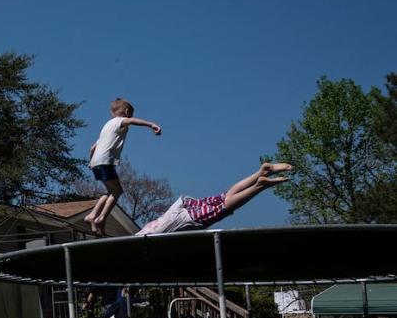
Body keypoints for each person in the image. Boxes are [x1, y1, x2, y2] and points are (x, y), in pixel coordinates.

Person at [136, 162, 293, 236]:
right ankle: (261, 172)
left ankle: (259, 186)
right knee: (225, 197)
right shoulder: (138, 234)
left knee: (224, 208)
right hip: (179, 206)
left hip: (181, 220)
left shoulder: (136, 246)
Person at [84, 98, 162, 235]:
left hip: (96, 162)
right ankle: (100, 219)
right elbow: (131, 121)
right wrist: (152, 125)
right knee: (117, 191)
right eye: (130, 114)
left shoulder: (106, 126)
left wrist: (91, 162)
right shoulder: (120, 121)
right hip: (105, 161)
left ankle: (92, 215)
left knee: (110, 191)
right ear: (127, 112)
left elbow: (92, 148)